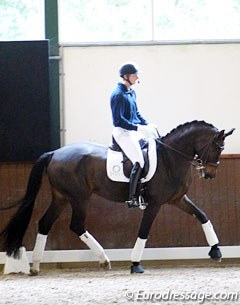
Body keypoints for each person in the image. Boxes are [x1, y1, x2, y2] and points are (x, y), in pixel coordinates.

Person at [110, 62, 158, 208]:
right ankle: (133, 197)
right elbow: (118, 120)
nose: (137, 77)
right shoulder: (118, 95)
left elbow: (136, 113)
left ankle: (145, 192)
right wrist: (137, 127)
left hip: (132, 130)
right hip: (123, 132)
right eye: (134, 74)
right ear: (126, 77)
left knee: (150, 152)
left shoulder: (131, 92)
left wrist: (147, 124)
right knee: (139, 161)